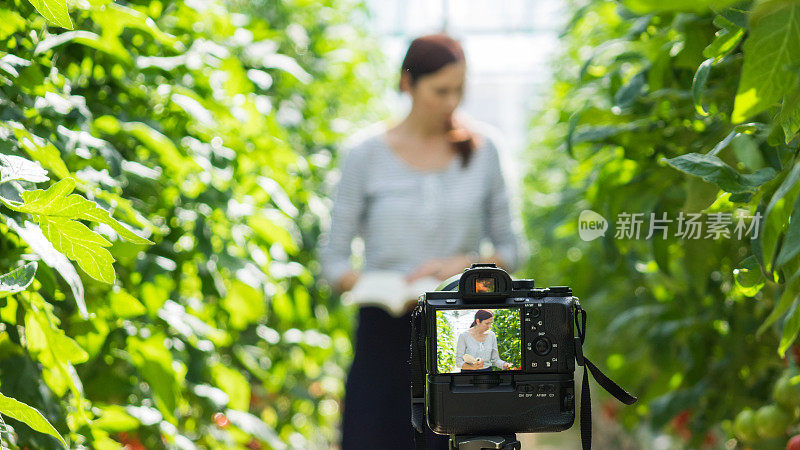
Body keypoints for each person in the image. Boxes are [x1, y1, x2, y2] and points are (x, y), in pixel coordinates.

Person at [317, 33, 528, 450]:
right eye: (440, 91)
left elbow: (514, 250)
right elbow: (332, 261)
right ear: (406, 83)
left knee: (459, 440)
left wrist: (461, 268)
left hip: (465, 333)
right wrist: (375, 284)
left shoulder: (485, 151)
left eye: (459, 90)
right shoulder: (364, 155)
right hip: (384, 333)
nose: (452, 102)